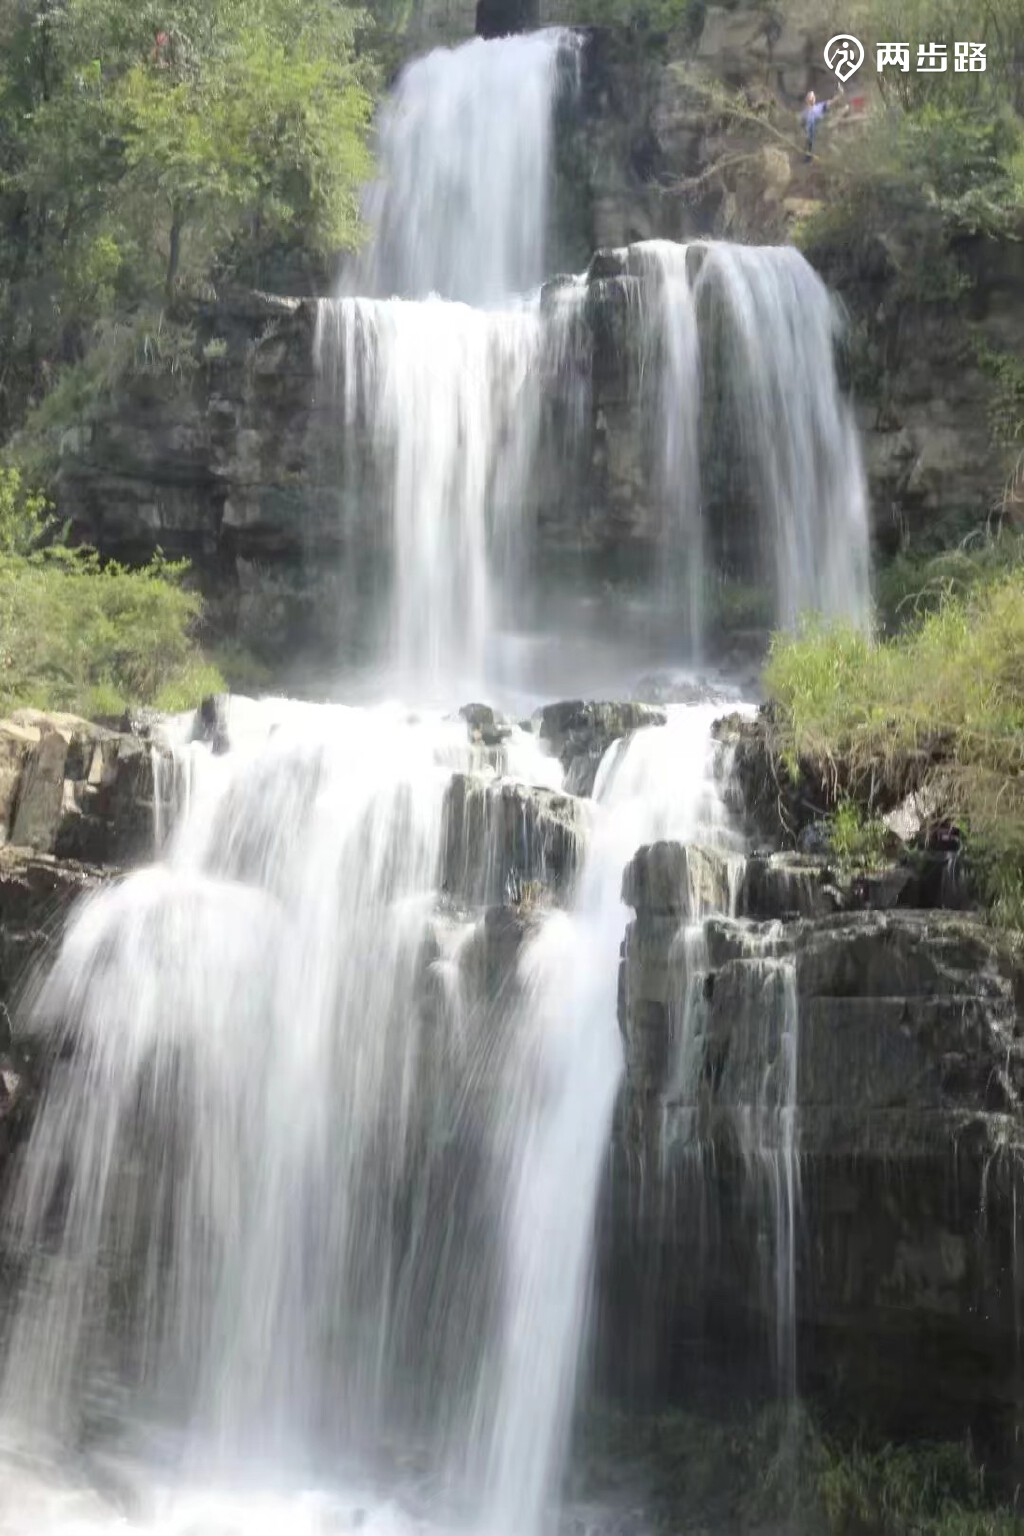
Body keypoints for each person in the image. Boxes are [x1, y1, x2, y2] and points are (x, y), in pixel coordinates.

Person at [801, 84, 843, 161]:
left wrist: (840, 94)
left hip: (821, 132)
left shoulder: (819, 107)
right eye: (810, 97)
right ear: (806, 100)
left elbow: (832, 102)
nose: (811, 98)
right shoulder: (804, 113)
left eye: (813, 97)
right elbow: (801, 124)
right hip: (811, 137)